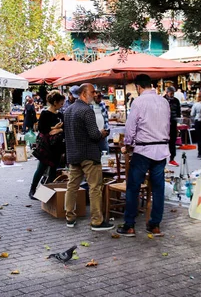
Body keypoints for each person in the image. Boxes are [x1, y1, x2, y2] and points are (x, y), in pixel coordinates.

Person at [117, 74, 170, 237]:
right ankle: (154, 225)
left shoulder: (138, 102)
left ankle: (130, 225)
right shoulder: (164, 101)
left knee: (133, 187)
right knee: (158, 188)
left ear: (139, 87)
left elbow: (131, 127)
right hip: (161, 150)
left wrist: (126, 144)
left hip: (143, 150)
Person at [63, 84, 114, 231]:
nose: (95, 94)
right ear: (84, 93)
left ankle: (70, 217)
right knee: (95, 188)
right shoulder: (86, 110)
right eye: (92, 92)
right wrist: (102, 133)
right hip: (89, 154)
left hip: (74, 153)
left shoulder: (69, 110)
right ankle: (97, 221)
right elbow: (94, 135)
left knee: (72, 186)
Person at [29, 90, 66, 199]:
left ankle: (48, 192)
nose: (62, 105)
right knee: (41, 167)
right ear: (55, 102)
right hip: (46, 145)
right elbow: (42, 128)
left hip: (57, 145)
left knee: (54, 168)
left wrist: (58, 130)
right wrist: (54, 128)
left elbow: (64, 128)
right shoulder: (45, 113)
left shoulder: (60, 114)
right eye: (60, 103)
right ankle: (32, 190)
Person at [164, 86, 181, 167]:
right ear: (167, 92)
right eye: (171, 93)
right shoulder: (162, 100)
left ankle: (172, 158)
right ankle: (162, 159)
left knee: (172, 142)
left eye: (173, 94)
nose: (172, 95)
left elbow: (178, 112)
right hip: (163, 124)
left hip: (173, 123)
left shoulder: (176, 101)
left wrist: (178, 121)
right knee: (163, 142)